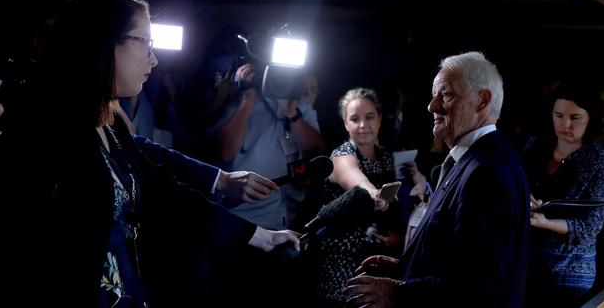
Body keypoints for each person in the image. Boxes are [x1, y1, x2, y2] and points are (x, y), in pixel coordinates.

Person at [0, 0, 299, 307]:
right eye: (144, 42)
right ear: (100, 43)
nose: (154, 59)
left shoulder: (108, 124)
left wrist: (260, 235)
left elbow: (161, 188)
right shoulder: (42, 132)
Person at [344, 51, 530, 308]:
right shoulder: (474, 160)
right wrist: (406, 267)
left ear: (482, 100)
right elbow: (458, 258)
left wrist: (398, 293)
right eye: (434, 95)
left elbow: (482, 287)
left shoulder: (488, 171)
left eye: (446, 94)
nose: (432, 106)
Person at [521, 82, 604, 307]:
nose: (565, 124)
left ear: (591, 118)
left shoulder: (600, 161)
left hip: (569, 275)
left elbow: (591, 226)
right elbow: (513, 183)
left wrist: (545, 222)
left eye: (575, 118)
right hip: (524, 264)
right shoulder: (535, 145)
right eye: (559, 115)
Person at [315, 87, 409, 307]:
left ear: (379, 119)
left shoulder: (388, 157)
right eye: (354, 119)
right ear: (345, 123)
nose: (363, 125)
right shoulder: (340, 157)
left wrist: (420, 180)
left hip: (378, 259)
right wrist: (372, 192)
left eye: (369, 117)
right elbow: (355, 179)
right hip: (342, 260)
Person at [210, 62, 326, 230]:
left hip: (281, 219)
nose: (280, 80)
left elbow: (317, 151)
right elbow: (223, 153)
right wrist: (248, 99)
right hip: (238, 216)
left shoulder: (300, 107)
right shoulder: (240, 102)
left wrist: (292, 114)